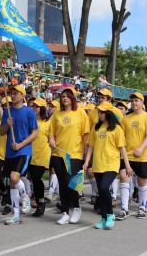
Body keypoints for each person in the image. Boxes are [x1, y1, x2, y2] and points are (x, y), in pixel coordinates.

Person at [84, 102, 131, 229]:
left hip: (112, 163)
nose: (99, 114)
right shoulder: (96, 128)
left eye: (102, 112)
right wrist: (87, 161)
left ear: (109, 113)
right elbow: (91, 146)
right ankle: (104, 218)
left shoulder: (117, 128)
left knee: (105, 187)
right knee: (101, 190)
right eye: (99, 112)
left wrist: (127, 165)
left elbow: (122, 149)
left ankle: (110, 214)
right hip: (98, 163)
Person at [49, 87, 89, 224]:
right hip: (58, 153)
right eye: (63, 96)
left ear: (73, 98)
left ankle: (77, 208)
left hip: (74, 154)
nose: (64, 98)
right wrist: (51, 139)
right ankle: (65, 212)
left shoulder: (81, 113)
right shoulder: (57, 114)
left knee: (68, 181)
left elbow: (86, 134)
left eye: (67, 96)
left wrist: (86, 154)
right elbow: (51, 131)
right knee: (61, 183)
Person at [0, 85, 38, 225]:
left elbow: (35, 133)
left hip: (23, 150)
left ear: (23, 96)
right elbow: (1, 132)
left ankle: (26, 197)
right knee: (12, 184)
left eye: (16, 93)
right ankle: (16, 215)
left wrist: (21, 145)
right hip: (10, 152)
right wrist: (7, 125)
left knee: (14, 177)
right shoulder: (7, 112)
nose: (13, 95)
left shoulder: (29, 112)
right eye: (11, 93)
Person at [116, 92, 147, 220]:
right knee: (123, 176)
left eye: (137, 100)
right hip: (127, 155)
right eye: (132, 101)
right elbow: (121, 137)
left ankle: (142, 207)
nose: (134, 103)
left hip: (143, 155)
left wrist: (140, 148)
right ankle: (124, 208)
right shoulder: (125, 118)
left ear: (142, 102)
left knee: (141, 181)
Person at [87, 89, 123, 209]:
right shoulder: (93, 113)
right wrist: (87, 155)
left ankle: (111, 198)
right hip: (97, 151)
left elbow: (120, 132)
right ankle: (99, 197)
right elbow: (91, 133)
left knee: (106, 181)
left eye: (104, 97)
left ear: (109, 99)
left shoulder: (116, 112)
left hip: (111, 153)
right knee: (95, 177)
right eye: (99, 97)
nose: (101, 99)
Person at [29, 98, 50, 217]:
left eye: (37, 106)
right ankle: (37, 200)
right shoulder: (30, 121)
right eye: (33, 106)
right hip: (31, 153)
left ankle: (41, 202)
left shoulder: (48, 122)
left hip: (43, 153)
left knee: (37, 177)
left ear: (42, 108)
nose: (34, 108)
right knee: (33, 179)